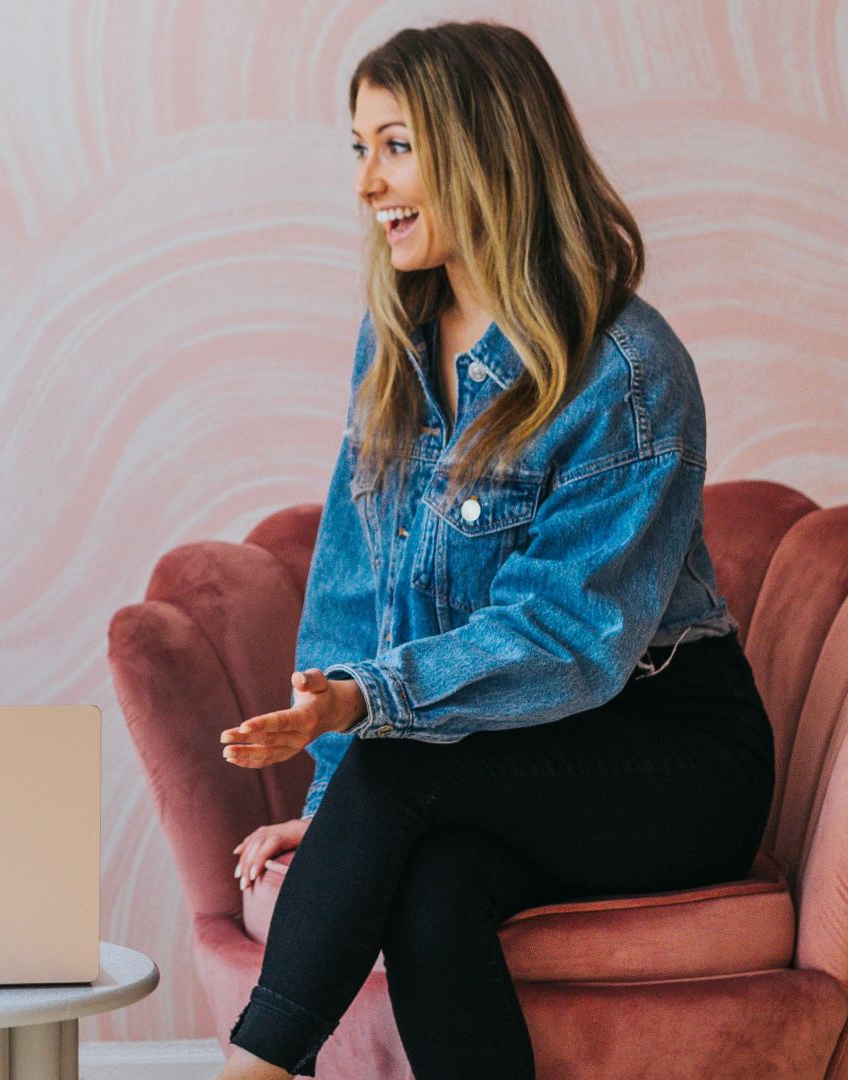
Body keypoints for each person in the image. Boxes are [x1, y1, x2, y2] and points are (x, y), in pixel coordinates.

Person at [213, 22, 774, 1080]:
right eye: (359, 148)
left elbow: (567, 636)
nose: (366, 183)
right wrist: (329, 807)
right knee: (433, 891)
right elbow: (356, 593)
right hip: (495, 757)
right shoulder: (397, 341)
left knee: (397, 766)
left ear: (486, 151)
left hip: (669, 756)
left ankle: (252, 1070)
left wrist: (364, 710)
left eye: (396, 146)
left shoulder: (626, 368)